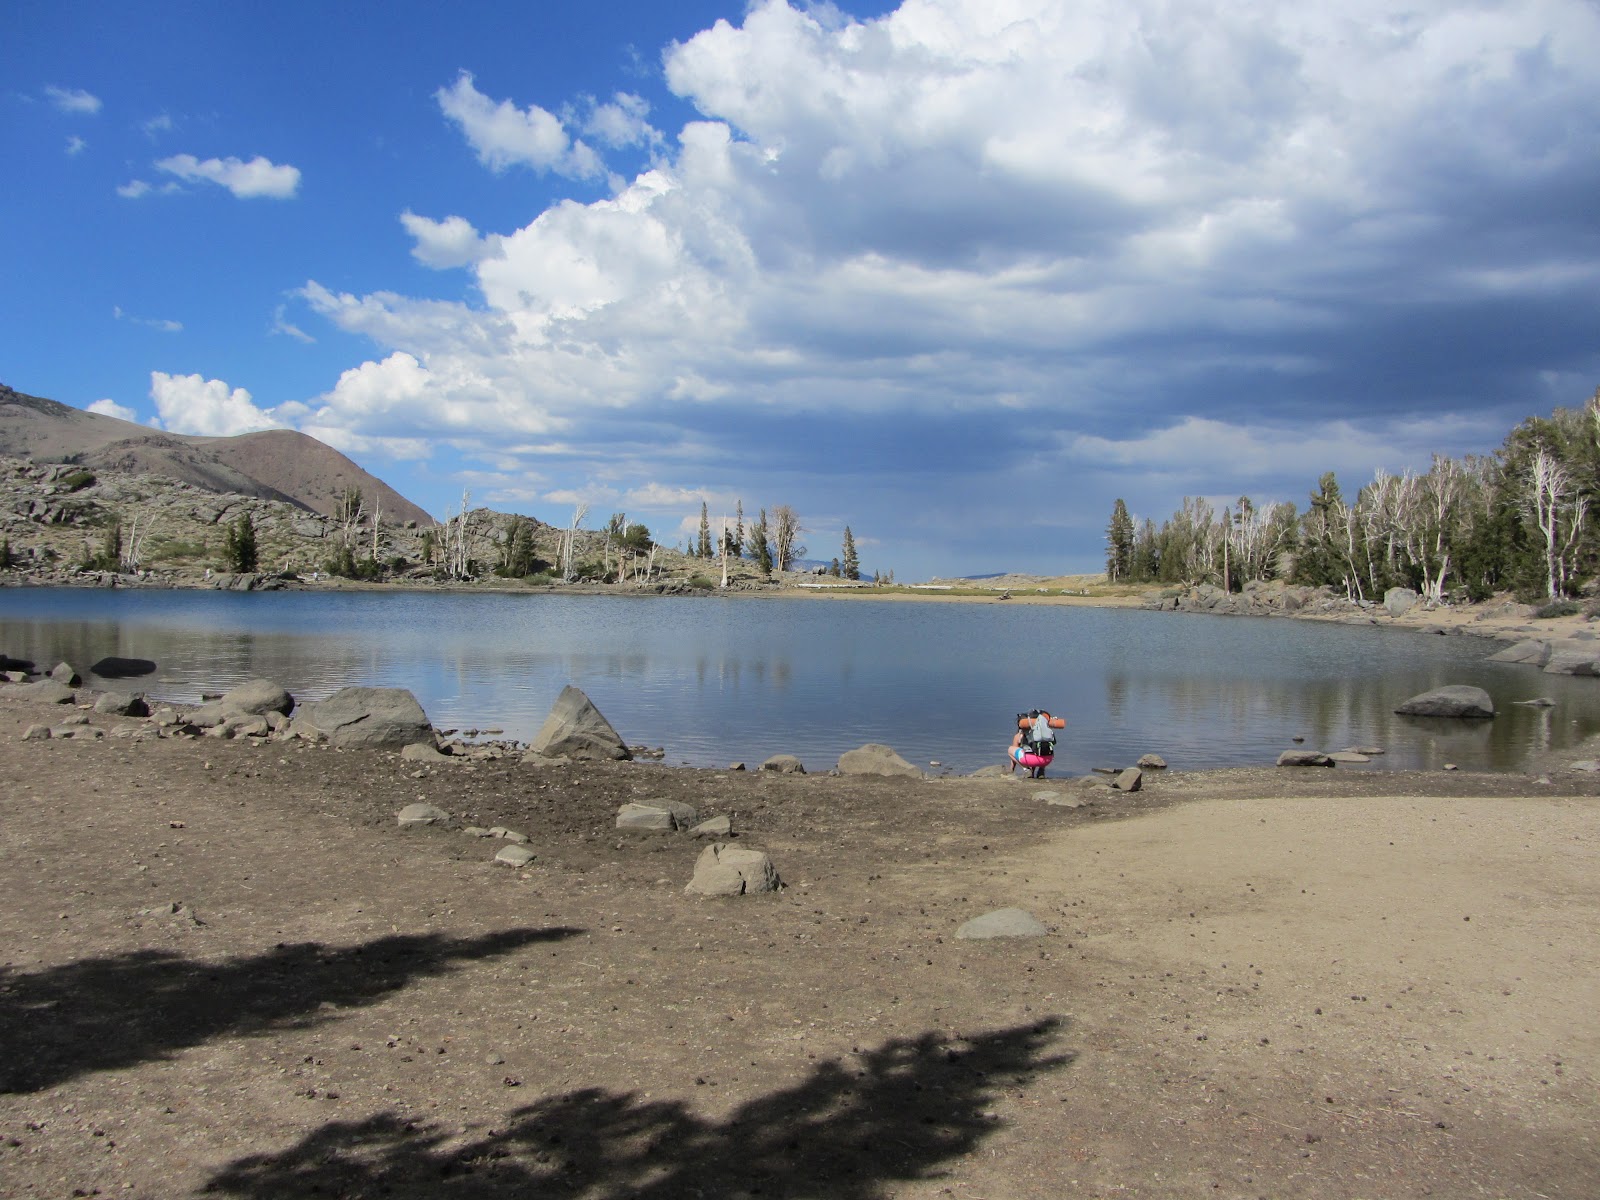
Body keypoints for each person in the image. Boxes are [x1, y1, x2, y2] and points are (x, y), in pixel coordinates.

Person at [1008, 709, 1060, 778]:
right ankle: (1041, 771)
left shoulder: (1019, 734)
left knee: (1010, 749)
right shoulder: (1045, 732)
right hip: (1047, 760)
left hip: (1031, 759)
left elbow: (1014, 755)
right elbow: (1053, 743)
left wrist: (1011, 770)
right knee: (1040, 748)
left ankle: (1026, 770)